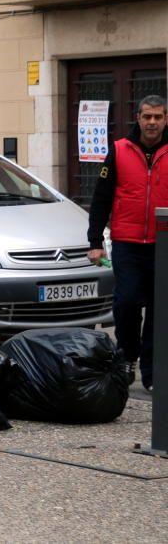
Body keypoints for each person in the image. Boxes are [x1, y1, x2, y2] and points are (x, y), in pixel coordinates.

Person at [88, 94, 168, 392]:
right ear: (138, 117)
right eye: (147, 116)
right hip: (128, 242)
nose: (152, 122)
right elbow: (101, 198)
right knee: (128, 302)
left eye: (158, 117)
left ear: (165, 119)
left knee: (161, 309)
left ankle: (152, 371)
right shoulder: (120, 150)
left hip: (164, 243)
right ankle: (127, 356)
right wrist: (95, 240)